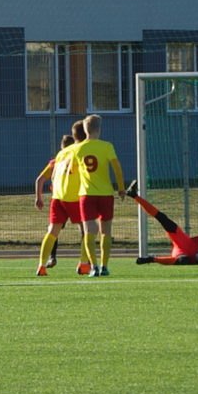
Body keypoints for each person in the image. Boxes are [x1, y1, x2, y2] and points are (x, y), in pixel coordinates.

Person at [124, 183, 198, 265]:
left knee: (183, 260)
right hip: (185, 242)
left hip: (185, 254)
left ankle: (151, 259)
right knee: (163, 219)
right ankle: (134, 195)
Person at [68, 114, 126, 277]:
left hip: (86, 194)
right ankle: (104, 266)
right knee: (106, 231)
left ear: (85, 130)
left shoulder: (77, 148)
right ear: (99, 129)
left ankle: (93, 266)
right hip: (105, 193)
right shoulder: (106, 146)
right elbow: (117, 167)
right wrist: (121, 188)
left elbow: (72, 170)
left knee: (89, 231)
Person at [29, 129, 77, 277]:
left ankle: (49, 259)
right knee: (86, 228)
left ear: (61, 147)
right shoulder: (76, 159)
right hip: (75, 199)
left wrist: (38, 198)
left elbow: (40, 179)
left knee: (53, 230)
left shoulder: (55, 162)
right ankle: (86, 262)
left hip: (58, 199)